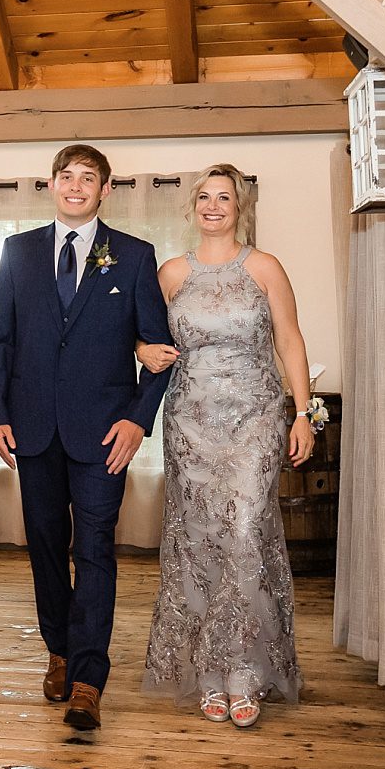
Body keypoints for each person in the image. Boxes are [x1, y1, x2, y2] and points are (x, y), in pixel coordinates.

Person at [0, 143, 174, 729]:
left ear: (105, 190)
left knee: (95, 553)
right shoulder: (18, 253)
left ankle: (89, 678)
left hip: (103, 436)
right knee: (44, 549)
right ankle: (59, 652)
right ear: (51, 184)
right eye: (66, 176)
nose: (75, 186)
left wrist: (139, 420)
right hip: (32, 432)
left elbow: (159, 353)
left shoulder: (135, 257)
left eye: (88, 178)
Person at [136, 163, 309, 729]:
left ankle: (243, 670)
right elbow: (138, 331)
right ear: (193, 207)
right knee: (199, 539)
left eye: (225, 197)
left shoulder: (264, 267)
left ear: (241, 207)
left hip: (256, 419)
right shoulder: (170, 273)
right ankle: (210, 673)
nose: (214, 205)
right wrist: (142, 350)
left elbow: (289, 338)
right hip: (190, 421)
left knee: (244, 534)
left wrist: (301, 414)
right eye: (205, 197)